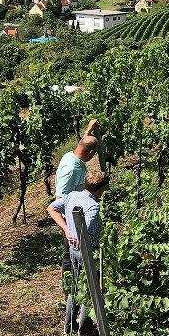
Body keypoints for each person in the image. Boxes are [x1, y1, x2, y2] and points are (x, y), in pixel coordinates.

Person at [47, 172, 109, 336]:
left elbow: (52, 208)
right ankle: (84, 329)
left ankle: (68, 325)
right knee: (90, 290)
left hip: (72, 250)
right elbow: (84, 233)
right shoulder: (93, 207)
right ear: (101, 188)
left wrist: (66, 229)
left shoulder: (73, 195)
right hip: (87, 253)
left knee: (74, 288)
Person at [54, 119, 100, 289]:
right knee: (70, 256)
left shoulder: (71, 155)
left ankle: (82, 285)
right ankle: (70, 292)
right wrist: (67, 230)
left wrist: (88, 130)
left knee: (81, 256)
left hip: (80, 217)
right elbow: (58, 202)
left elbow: (83, 143)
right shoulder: (70, 170)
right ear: (91, 153)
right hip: (72, 223)